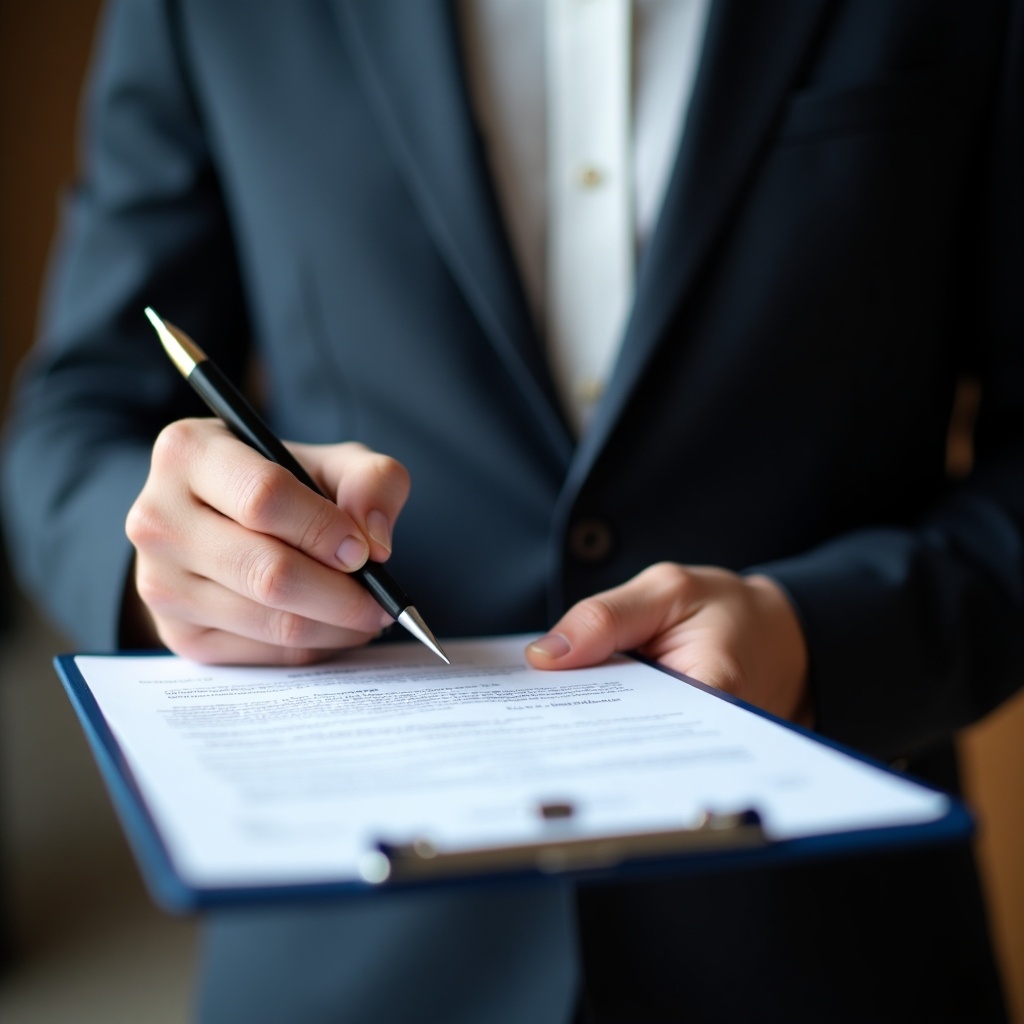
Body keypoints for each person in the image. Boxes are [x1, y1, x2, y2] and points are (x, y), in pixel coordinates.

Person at [3, 1, 1021, 1021]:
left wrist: (820, 636)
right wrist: (166, 562)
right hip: (356, 950)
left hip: (828, 949)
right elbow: (73, 417)